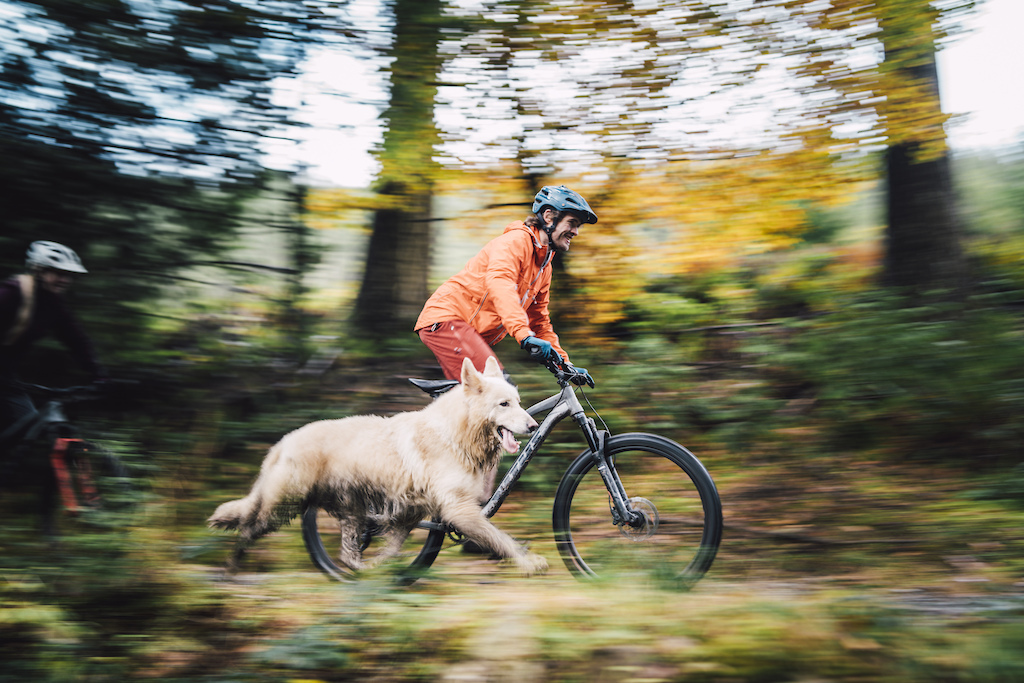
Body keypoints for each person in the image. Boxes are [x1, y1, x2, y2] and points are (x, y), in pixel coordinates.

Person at [415, 184, 597, 388]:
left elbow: (539, 321)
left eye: (578, 226)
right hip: (446, 319)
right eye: (572, 223)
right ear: (548, 217)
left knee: (484, 404)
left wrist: (565, 365)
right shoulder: (515, 242)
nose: (576, 232)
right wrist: (523, 335)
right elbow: (500, 285)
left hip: (465, 329)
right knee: (498, 391)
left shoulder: (543, 266)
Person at [0, 241, 105, 443]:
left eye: (69, 275)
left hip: (6, 376)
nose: (65, 280)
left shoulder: (54, 303)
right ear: (39, 270)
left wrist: (99, 375)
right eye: (58, 273)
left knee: (27, 427)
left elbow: (76, 340)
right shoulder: (11, 293)